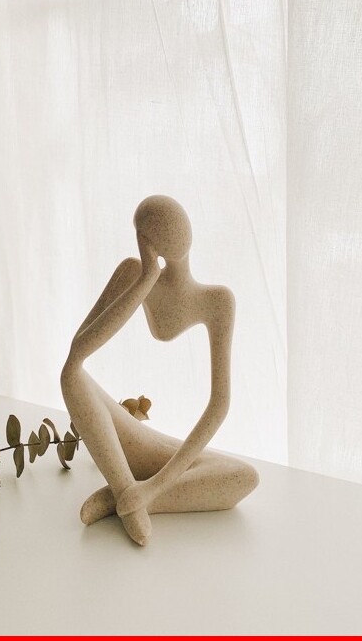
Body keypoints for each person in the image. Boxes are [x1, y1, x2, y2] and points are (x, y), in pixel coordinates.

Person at [60, 195, 259, 546]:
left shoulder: (217, 301)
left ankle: (125, 496)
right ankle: (127, 492)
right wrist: (145, 279)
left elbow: (219, 405)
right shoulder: (132, 274)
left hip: (153, 456)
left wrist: (153, 488)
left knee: (243, 477)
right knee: (71, 376)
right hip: (121, 432)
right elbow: (77, 354)